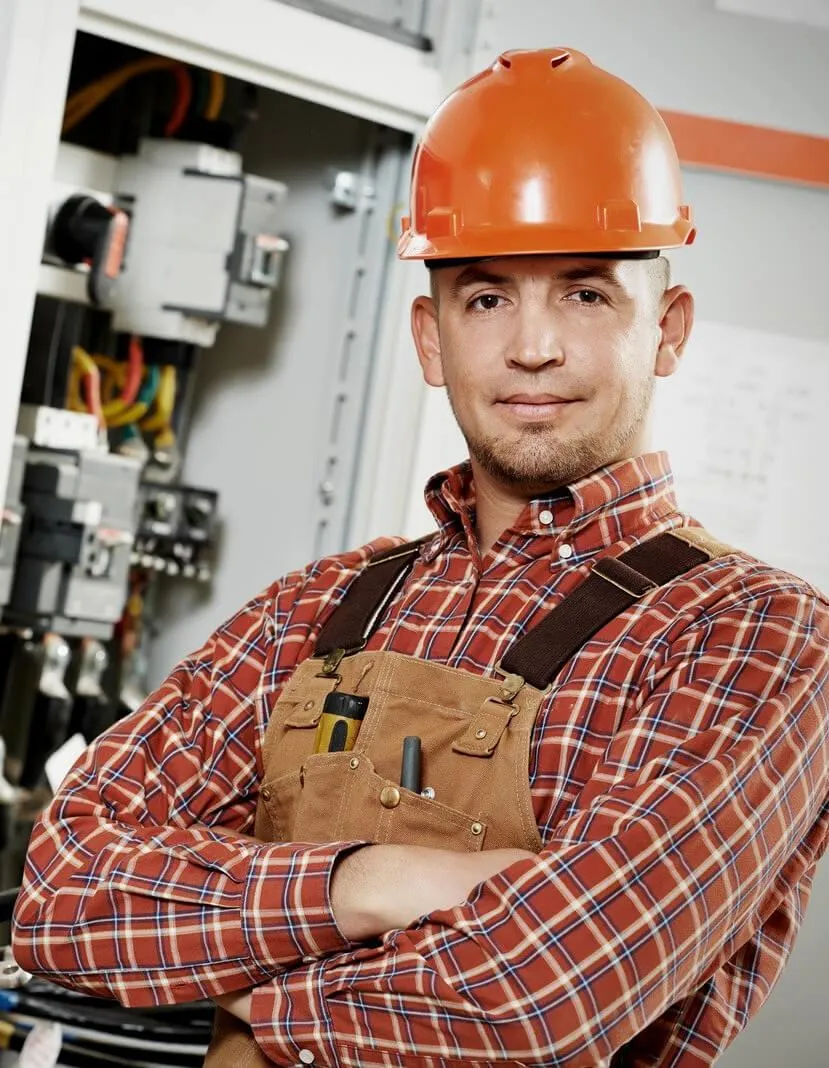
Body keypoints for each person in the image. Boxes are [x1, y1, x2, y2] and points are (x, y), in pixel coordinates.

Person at [11, 46, 829, 1068]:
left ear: (666, 330)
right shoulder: (316, 608)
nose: (533, 347)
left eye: (584, 294)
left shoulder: (749, 634)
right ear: (430, 338)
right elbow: (64, 893)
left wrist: (253, 1014)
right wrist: (370, 881)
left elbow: (545, 990)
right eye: (486, 298)